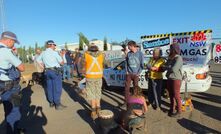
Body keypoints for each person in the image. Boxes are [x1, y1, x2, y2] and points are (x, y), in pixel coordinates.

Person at [0, 31, 25, 133]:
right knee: (14, 112)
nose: (14, 44)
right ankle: (13, 131)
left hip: (2, 85)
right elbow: (22, 67)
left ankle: (12, 129)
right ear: (9, 41)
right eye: (14, 42)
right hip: (11, 87)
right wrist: (15, 54)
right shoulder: (6, 51)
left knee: (8, 109)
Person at [37, 40, 66, 110]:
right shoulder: (54, 53)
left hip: (47, 71)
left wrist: (43, 67)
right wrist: (61, 56)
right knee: (57, 88)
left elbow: (38, 60)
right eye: (54, 45)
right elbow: (62, 63)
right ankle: (57, 104)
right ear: (51, 45)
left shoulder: (43, 53)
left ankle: (51, 102)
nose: (55, 46)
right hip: (55, 71)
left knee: (49, 87)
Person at [81, 43, 104, 120]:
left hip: (90, 77)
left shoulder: (86, 55)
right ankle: (99, 109)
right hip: (99, 77)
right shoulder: (102, 55)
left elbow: (82, 65)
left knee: (91, 94)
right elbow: (105, 64)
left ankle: (93, 111)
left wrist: (84, 72)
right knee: (98, 92)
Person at [164, 43, 183, 117]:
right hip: (169, 78)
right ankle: (172, 108)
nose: (170, 50)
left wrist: (167, 66)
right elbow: (165, 67)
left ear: (175, 49)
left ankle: (179, 111)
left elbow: (174, 69)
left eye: (171, 48)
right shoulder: (170, 57)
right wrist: (167, 66)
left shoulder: (178, 58)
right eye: (170, 48)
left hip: (176, 79)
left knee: (176, 95)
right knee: (171, 95)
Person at [124, 41, 144, 106]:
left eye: (128, 46)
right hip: (129, 74)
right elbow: (126, 62)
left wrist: (138, 73)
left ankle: (136, 102)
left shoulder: (140, 54)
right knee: (127, 88)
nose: (128, 47)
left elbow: (142, 64)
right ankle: (126, 102)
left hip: (136, 74)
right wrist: (126, 71)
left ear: (132, 46)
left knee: (136, 89)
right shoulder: (129, 53)